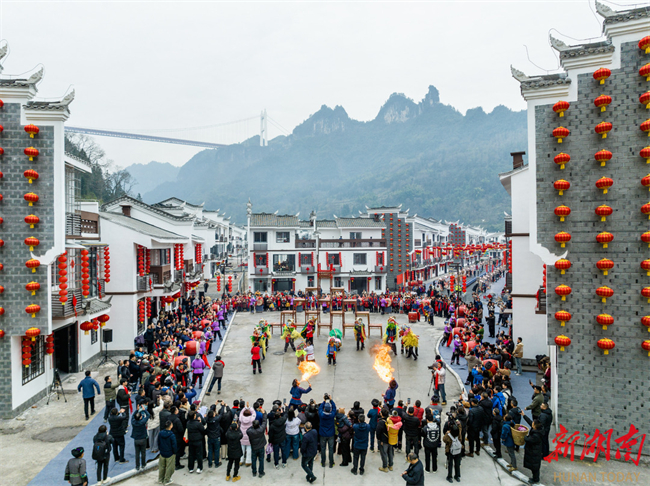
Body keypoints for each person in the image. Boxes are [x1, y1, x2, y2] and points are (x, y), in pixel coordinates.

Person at [522, 417, 544, 484]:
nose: (531, 424)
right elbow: (530, 421)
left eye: (533, 423)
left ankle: (535, 479)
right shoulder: (539, 430)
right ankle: (535, 478)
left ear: (535, 426)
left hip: (534, 452)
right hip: (534, 451)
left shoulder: (536, 435)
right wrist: (524, 415)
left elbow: (528, 440)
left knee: (534, 467)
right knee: (534, 467)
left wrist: (525, 436)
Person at [318, 395, 337, 468]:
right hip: (331, 434)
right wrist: (331, 400)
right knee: (331, 449)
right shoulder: (332, 415)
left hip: (323, 434)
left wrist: (324, 401)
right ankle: (331, 463)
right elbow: (334, 408)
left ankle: (323, 462)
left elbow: (320, 408)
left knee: (323, 448)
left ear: (324, 409)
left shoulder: (321, 414)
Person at [131, 404, 150, 472]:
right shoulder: (142, 422)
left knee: (137, 453)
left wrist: (136, 410)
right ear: (140, 417)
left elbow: (132, 416)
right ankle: (143, 464)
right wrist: (144, 410)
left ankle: (137, 466)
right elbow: (148, 415)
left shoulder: (133, 422)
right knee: (143, 453)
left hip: (136, 439)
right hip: (143, 439)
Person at [158, 420, 177, 485]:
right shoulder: (172, 435)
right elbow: (174, 445)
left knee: (162, 467)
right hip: (170, 453)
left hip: (162, 452)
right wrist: (174, 452)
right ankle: (167, 480)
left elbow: (158, 442)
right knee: (170, 467)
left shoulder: (160, 433)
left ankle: (160, 479)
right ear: (170, 426)